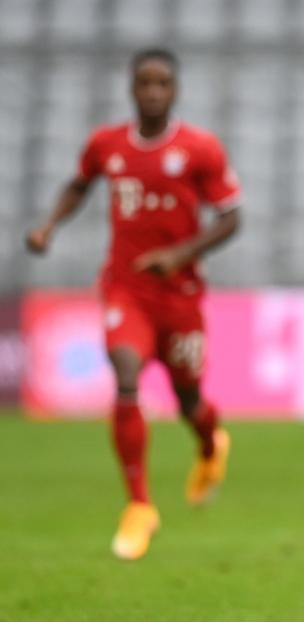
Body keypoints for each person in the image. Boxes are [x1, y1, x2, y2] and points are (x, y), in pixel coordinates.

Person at [26, 48, 243, 561]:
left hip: (181, 295)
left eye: (161, 83)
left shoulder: (199, 149)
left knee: (189, 401)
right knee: (126, 376)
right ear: (131, 88)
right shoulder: (107, 145)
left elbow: (232, 218)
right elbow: (79, 184)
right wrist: (49, 226)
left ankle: (212, 446)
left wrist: (179, 253)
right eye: (143, 83)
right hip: (126, 290)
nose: (151, 92)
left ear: (174, 90)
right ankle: (140, 505)